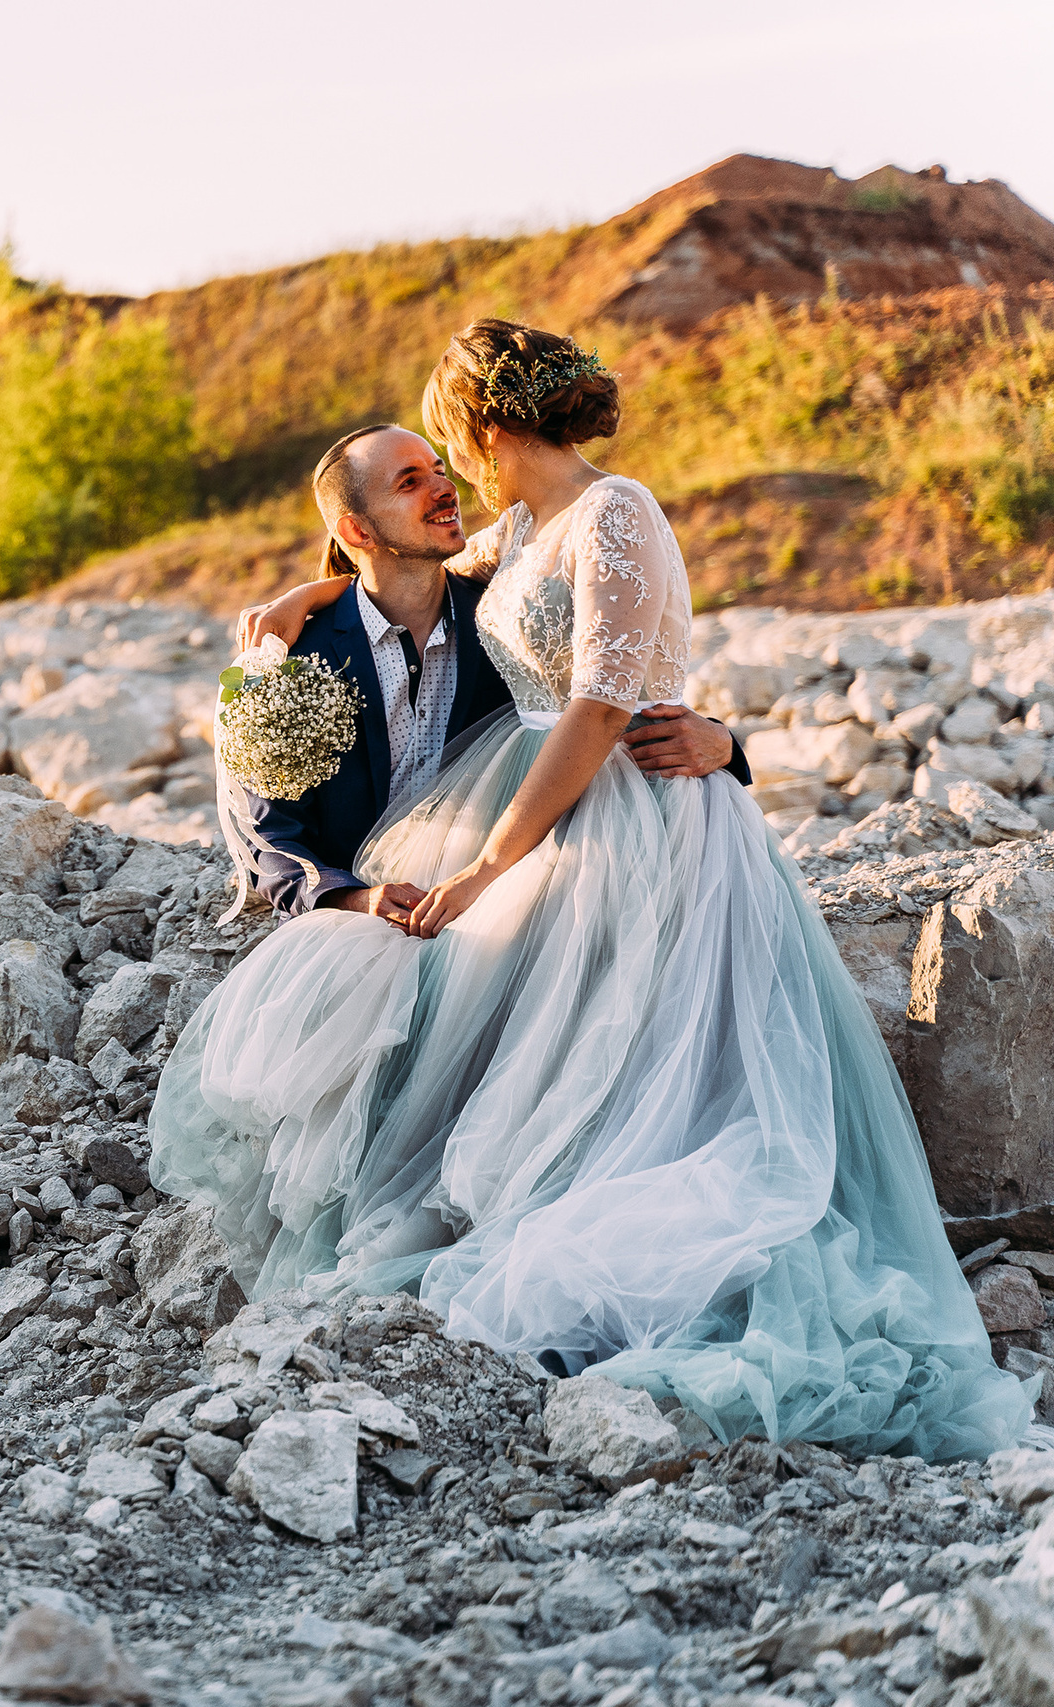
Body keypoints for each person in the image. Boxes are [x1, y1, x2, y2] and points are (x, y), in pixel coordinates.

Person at [151, 319, 1030, 1459]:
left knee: (639, 1043)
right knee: (510, 1025)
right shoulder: (518, 529)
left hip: (634, 816)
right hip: (543, 814)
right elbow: (399, 572)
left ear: (481, 423)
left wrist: (490, 862)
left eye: (440, 442)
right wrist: (303, 597)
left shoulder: (619, 512)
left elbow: (603, 706)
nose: (442, 470)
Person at [221, 422, 747, 927]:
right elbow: (265, 835)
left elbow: (591, 700)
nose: (444, 486)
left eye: (437, 468)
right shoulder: (291, 659)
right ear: (357, 530)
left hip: (511, 892)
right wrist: (353, 899)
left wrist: (724, 743)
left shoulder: (500, 626)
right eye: (410, 482)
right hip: (375, 911)